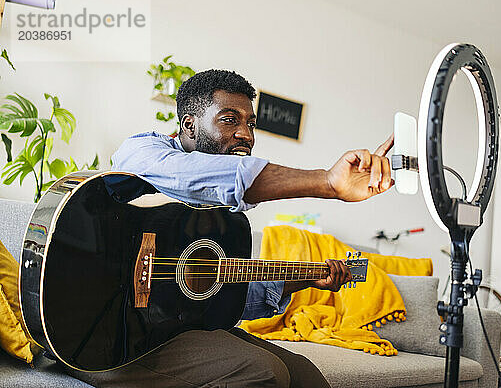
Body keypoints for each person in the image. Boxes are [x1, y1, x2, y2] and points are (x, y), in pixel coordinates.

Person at [67, 70, 394, 388]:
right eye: (229, 119)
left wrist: (304, 279)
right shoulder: (140, 153)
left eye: (250, 123)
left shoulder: (221, 221)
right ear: (189, 126)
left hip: (168, 331)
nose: (246, 134)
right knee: (264, 372)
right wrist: (326, 182)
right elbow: (193, 176)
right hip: (104, 339)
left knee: (305, 374)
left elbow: (216, 301)